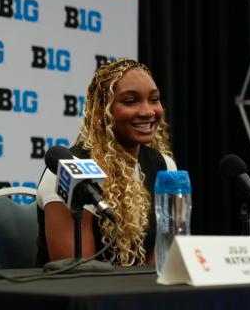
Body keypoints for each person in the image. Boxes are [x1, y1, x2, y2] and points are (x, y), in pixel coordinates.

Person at [36, 58, 177, 266]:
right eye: (130, 101)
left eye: (154, 99)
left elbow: (164, 258)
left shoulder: (165, 167)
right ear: (101, 112)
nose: (148, 111)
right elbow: (79, 275)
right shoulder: (68, 172)